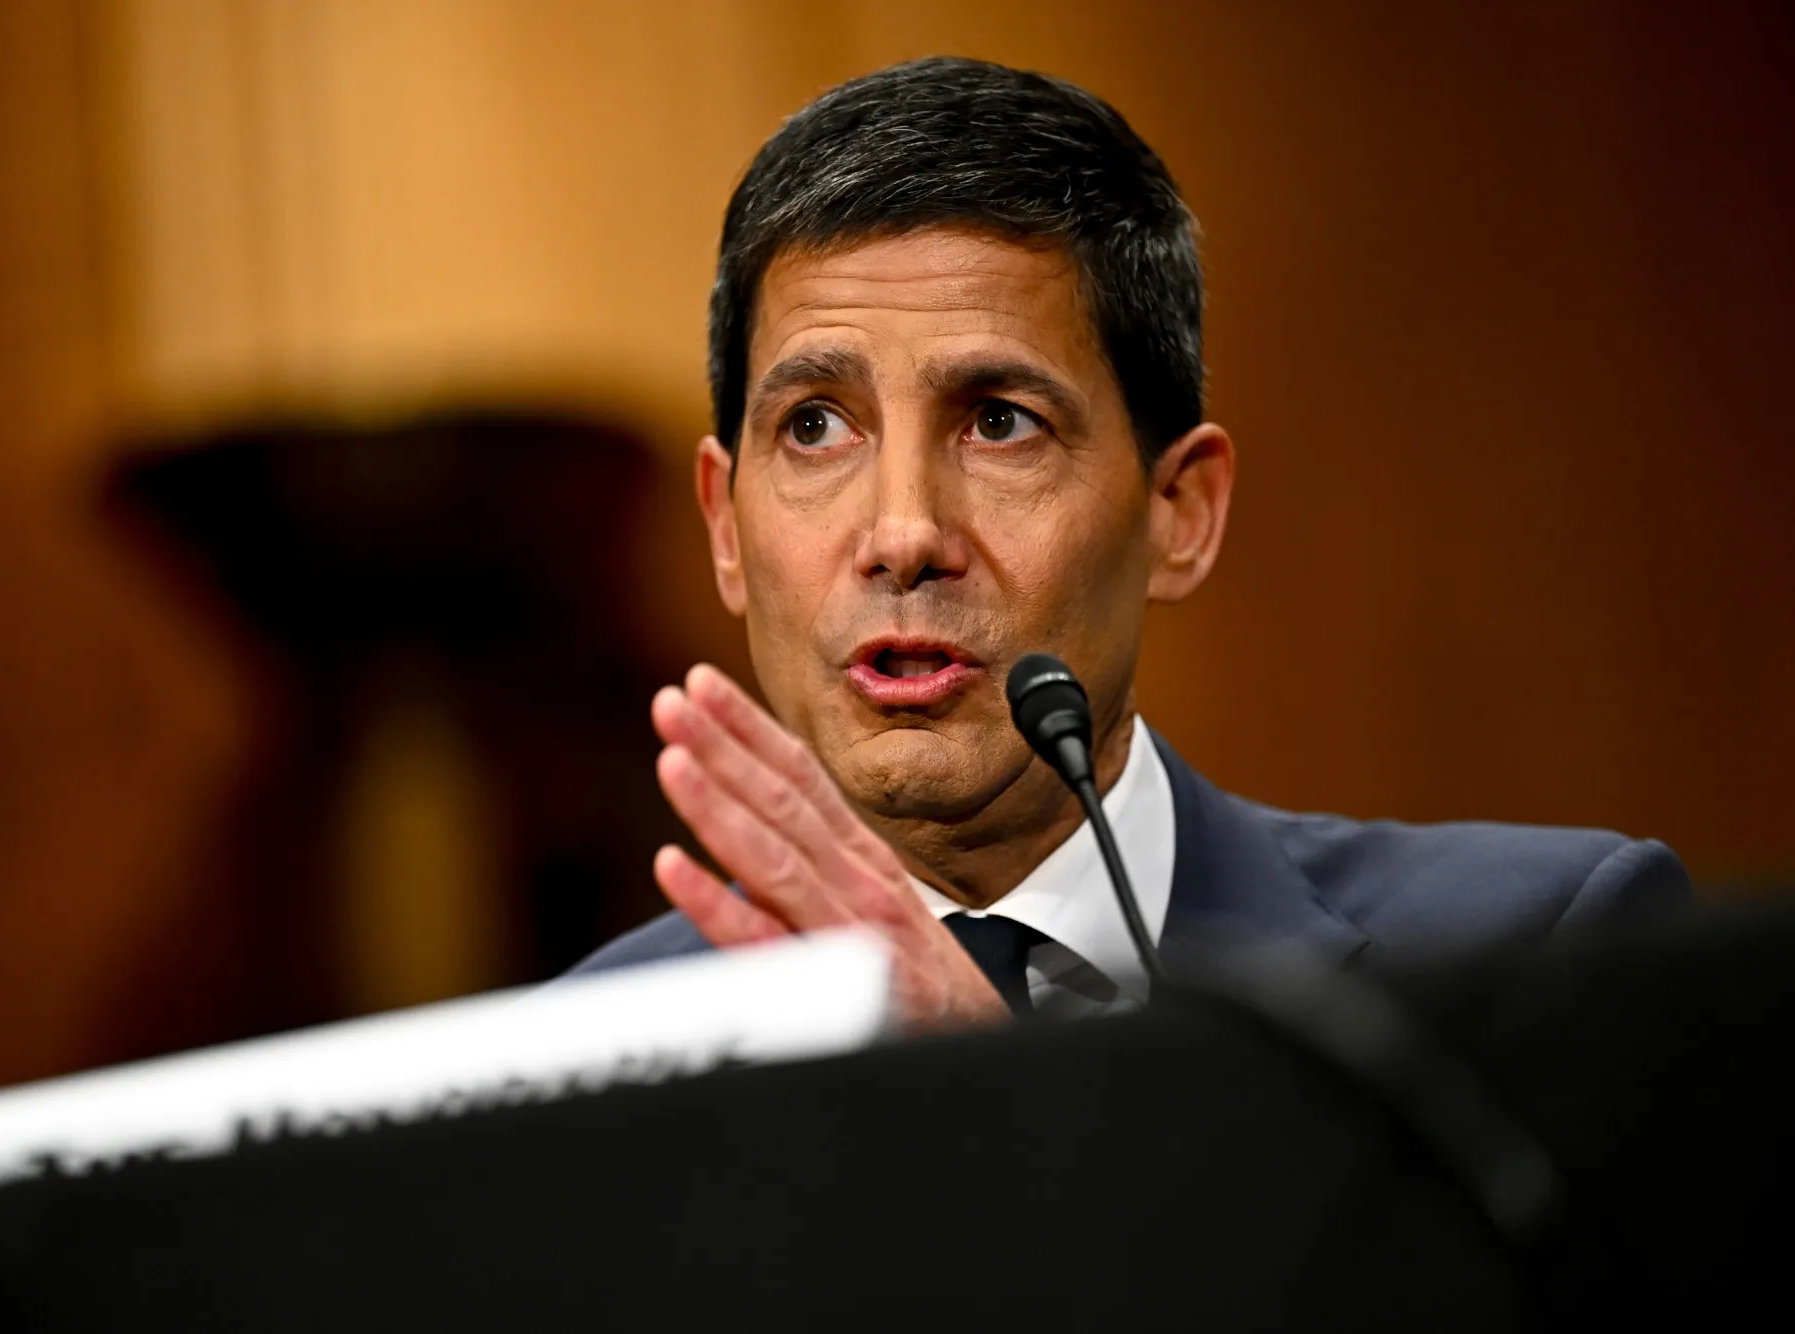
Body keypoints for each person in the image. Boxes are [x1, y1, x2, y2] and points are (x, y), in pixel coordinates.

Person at [569, 56, 1689, 1026]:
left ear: (1179, 512)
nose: (902, 532)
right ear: (724, 524)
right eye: (813, 427)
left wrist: (996, 1107)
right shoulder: (577, 1075)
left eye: (1000, 420)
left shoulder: (1543, 949)